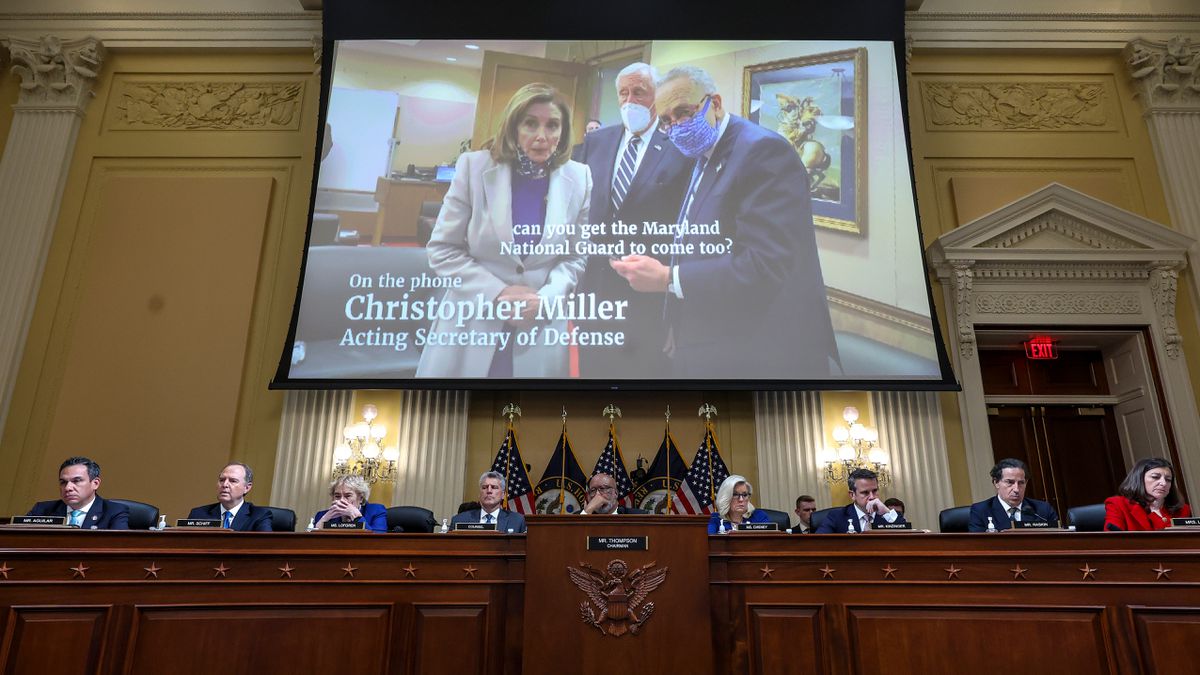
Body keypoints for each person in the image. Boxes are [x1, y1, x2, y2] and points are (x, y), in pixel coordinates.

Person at [610, 64, 837, 378]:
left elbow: (763, 264)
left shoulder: (762, 151)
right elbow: (694, 240)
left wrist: (666, 278)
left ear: (715, 104)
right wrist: (676, 319)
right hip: (704, 333)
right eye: (667, 121)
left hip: (757, 350)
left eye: (684, 112)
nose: (676, 127)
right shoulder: (702, 153)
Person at [416, 82, 591, 378]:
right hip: (473, 321)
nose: (542, 136)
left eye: (552, 125)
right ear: (513, 127)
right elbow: (443, 249)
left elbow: (575, 257)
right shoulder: (474, 168)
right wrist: (498, 294)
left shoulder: (580, 177)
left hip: (538, 325)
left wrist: (545, 300)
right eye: (530, 124)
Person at [575, 63, 691, 378]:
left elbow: (686, 231)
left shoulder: (679, 147)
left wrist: (675, 313)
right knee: (590, 376)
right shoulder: (597, 142)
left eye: (639, 92)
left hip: (647, 296)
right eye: (623, 93)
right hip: (594, 292)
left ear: (658, 96)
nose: (630, 101)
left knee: (642, 382)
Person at [26, 456, 129, 530]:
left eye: (76, 481)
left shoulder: (114, 512)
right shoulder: (42, 510)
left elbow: (118, 547)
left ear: (95, 483)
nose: (68, 488)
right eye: (63, 482)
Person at [967, 458, 1059, 532]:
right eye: (1010, 482)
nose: (1016, 489)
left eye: (1021, 483)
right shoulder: (981, 511)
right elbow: (979, 545)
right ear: (996, 483)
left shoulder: (1042, 510)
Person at [1104, 457, 1192, 531]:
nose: (1163, 483)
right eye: (1155, 477)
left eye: (1168, 479)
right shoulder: (1118, 504)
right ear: (1139, 479)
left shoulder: (1183, 510)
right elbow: (1112, 541)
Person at [187, 462, 273, 531]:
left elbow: (266, 545)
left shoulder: (259, 515)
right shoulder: (198, 514)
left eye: (233, 481)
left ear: (247, 487)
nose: (225, 485)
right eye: (222, 480)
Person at [816, 468, 906, 533]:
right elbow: (818, 542)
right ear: (852, 495)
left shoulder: (887, 515)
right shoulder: (837, 516)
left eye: (875, 491)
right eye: (865, 493)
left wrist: (886, 512)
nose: (872, 497)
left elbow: (906, 536)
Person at [450, 471, 527, 533]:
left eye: (494, 487)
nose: (489, 491)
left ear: (503, 495)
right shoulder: (459, 520)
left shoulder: (517, 521)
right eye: (484, 487)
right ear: (479, 494)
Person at [312, 475, 387, 532]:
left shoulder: (376, 511)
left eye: (348, 496)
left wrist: (357, 517)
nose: (341, 500)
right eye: (337, 496)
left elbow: (378, 540)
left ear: (361, 498)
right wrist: (325, 519)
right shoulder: (322, 515)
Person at [579, 472, 648, 514]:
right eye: (593, 490)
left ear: (616, 493)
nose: (597, 495)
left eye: (603, 488)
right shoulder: (581, 514)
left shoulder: (638, 516)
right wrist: (589, 509)